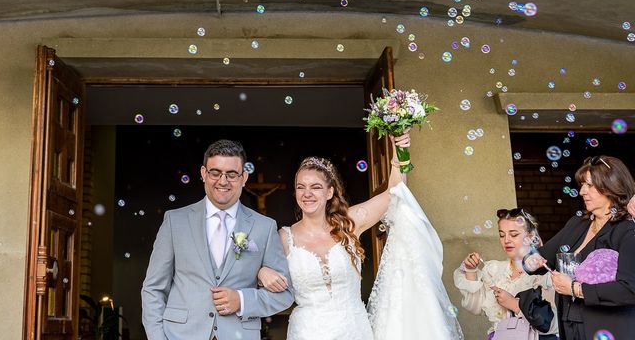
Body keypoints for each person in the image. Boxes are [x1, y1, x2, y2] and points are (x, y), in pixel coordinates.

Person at [258, 131, 463, 340]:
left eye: (315, 187)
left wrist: (399, 155)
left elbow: (394, 193)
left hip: (354, 330)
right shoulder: (284, 237)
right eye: (300, 187)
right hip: (307, 332)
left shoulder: (349, 222)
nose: (307, 193)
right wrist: (261, 272)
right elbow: (251, 271)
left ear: (329, 192)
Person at [141, 139, 294, 340]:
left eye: (232, 174)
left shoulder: (264, 227)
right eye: (215, 173)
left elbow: (285, 295)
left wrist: (242, 300)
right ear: (203, 173)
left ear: (244, 177)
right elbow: (153, 288)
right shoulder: (174, 221)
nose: (223, 181)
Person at [527, 155, 635, 340]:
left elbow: (629, 290)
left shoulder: (628, 229)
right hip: (570, 324)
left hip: (610, 328)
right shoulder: (577, 223)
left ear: (611, 186)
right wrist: (528, 260)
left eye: (589, 185)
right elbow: (540, 258)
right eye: (581, 185)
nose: (582, 192)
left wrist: (575, 289)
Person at [454, 208, 558, 339]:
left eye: (513, 234)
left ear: (531, 237)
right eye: (502, 235)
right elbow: (476, 307)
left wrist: (516, 305)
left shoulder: (546, 274)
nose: (506, 240)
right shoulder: (494, 270)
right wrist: (470, 270)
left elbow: (556, 324)